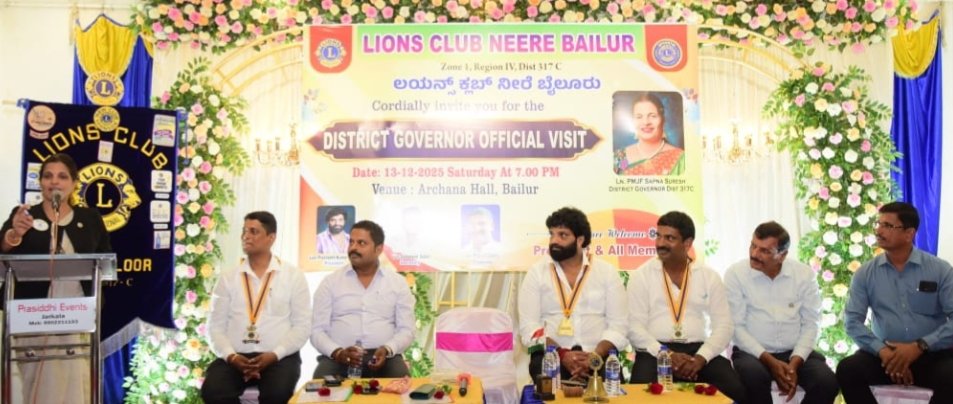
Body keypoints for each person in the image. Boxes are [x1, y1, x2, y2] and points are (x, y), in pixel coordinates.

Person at [0, 153, 111, 404]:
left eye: (62, 176)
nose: (54, 182)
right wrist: (14, 234)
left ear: (73, 183)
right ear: (40, 182)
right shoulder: (24, 215)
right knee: (39, 382)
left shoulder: (90, 219)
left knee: (74, 378)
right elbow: (3, 248)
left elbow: (104, 259)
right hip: (32, 314)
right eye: (48, 176)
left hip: (76, 312)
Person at [837, 202, 953, 404]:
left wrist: (920, 346)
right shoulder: (865, 273)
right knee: (848, 369)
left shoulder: (940, 270)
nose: (879, 231)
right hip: (884, 357)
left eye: (888, 226)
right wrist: (883, 351)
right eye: (878, 224)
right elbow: (852, 322)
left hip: (931, 354)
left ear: (909, 234)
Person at [627, 211, 746, 403]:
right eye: (658, 236)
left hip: (697, 352)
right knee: (640, 395)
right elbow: (634, 327)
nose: (660, 243)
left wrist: (700, 358)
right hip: (655, 352)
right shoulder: (641, 275)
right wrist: (667, 355)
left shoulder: (708, 276)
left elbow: (724, 325)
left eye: (669, 238)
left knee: (733, 389)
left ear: (687, 243)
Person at [203, 211, 311, 404]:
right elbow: (215, 327)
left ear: (271, 237)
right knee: (213, 392)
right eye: (244, 231)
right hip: (236, 357)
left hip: (278, 357)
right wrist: (231, 356)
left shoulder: (293, 276)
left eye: (253, 231)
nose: (246, 236)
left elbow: (302, 326)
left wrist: (275, 354)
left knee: (277, 395)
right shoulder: (228, 278)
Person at [724, 221, 839, 403]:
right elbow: (736, 326)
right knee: (752, 378)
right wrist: (770, 362)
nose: (754, 254)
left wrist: (794, 364)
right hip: (753, 353)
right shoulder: (736, 274)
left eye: (764, 251)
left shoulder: (803, 275)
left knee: (827, 382)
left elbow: (811, 323)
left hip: (795, 352)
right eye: (753, 246)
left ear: (782, 255)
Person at [518, 207, 627, 383]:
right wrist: (562, 355)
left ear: (580, 240)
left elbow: (619, 326)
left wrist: (594, 356)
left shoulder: (606, 272)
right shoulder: (537, 272)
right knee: (546, 378)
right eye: (552, 234)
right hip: (552, 356)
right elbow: (528, 328)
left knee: (612, 386)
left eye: (563, 235)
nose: (554, 241)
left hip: (597, 356)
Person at [311, 220, 416, 378]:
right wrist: (337, 352)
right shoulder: (330, 282)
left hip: (384, 357)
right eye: (351, 242)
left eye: (361, 243)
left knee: (400, 384)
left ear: (378, 249)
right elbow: (317, 331)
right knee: (320, 387)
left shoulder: (397, 283)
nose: (353, 248)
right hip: (340, 357)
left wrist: (388, 348)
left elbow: (407, 330)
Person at [613, 92, 685, 176]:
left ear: (663, 120)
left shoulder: (679, 158)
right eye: (639, 117)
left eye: (652, 116)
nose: (646, 122)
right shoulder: (621, 157)